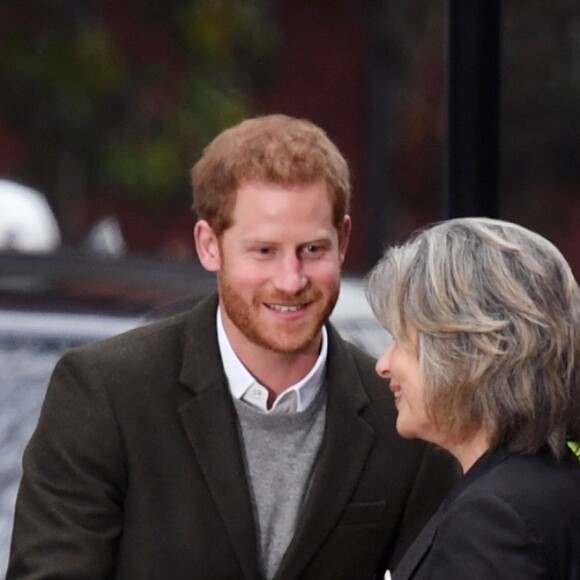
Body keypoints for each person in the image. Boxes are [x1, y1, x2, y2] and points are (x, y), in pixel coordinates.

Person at [7, 114, 458, 579]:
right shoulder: (106, 394)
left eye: (312, 250)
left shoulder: (403, 417)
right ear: (209, 246)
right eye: (264, 251)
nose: (291, 280)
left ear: (343, 241)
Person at [366, 217, 580, 579]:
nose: (383, 365)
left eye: (401, 339)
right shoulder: (549, 483)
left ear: (464, 353)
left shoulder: (494, 518)